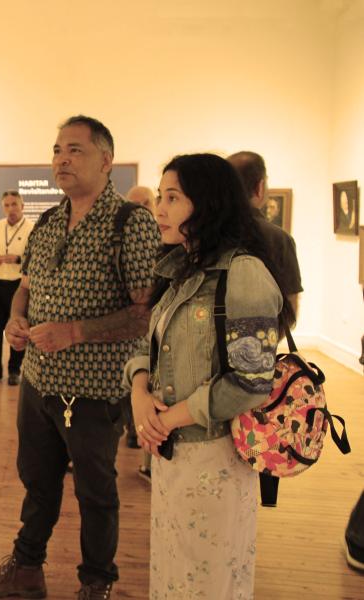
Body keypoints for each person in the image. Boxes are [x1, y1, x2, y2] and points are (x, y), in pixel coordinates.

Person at [0, 115, 160, 600]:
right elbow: (25, 290)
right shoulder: (48, 222)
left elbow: (145, 313)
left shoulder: (129, 224)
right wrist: (14, 320)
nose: (61, 159)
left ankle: (96, 583)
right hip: (37, 381)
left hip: (95, 389)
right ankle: (27, 569)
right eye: (56, 150)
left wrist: (77, 331)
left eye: (75, 149)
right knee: (37, 481)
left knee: (96, 492)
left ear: (106, 160)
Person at [124, 153, 296, 599]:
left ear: (208, 203)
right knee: (175, 571)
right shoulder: (179, 270)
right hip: (171, 455)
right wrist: (140, 391)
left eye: (173, 198)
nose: (159, 209)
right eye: (160, 197)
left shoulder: (244, 274)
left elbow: (252, 381)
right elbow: (149, 344)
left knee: (208, 579)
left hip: (215, 458)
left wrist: (173, 417)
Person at [227, 151, 303, 315]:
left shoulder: (204, 232)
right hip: (261, 335)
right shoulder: (279, 239)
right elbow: (290, 308)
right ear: (260, 187)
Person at [0, 190, 34, 386]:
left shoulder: (31, 229)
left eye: (14, 204)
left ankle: (14, 370)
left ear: (22, 206)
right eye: (7, 205)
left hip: (19, 285)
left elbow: (36, 258)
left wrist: (17, 259)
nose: (11, 209)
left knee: (17, 327)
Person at [122, 185, 158, 452]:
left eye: (145, 203)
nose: (140, 209)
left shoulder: (165, 237)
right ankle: (132, 429)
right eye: (134, 204)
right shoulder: (125, 237)